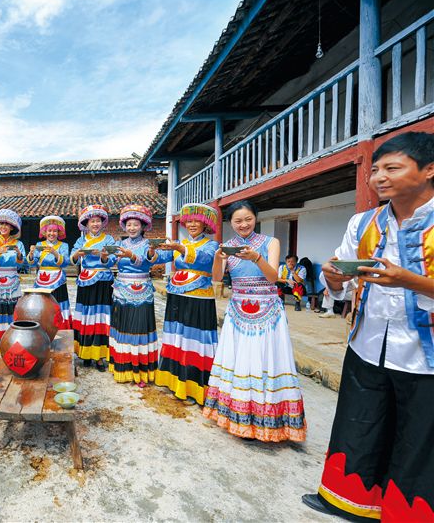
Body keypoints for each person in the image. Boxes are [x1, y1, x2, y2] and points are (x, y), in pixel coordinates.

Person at [302, 132, 434, 521]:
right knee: (360, 423)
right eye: (375, 170)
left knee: (418, 438)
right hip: (368, 341)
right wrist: (334, 278)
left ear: (429, 170)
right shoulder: (363, 223)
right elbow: (340, 279)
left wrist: (409, 280)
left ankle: (406, 514)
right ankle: (347, 501)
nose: (379, 177)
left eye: (392, 168)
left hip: (424, 354)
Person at [203, 200, 306, 442]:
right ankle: (238, 417)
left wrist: (256, 257)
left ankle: (269, 420)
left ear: (255, 218)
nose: (243, 225)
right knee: (239, 362)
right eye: (238, 221)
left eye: (248, 219)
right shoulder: (228, 247)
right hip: (238, 311)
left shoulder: (271, 242)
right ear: (231, 223)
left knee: (266, 361)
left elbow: (273, 278)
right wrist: (218, 258)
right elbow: (216, 278)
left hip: (268, 311)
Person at [155, 203, 220, 404]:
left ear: (205, 224)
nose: (192, 224)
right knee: (176, 335)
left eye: (196, 221)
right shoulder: (179, 243)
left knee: (194, 340)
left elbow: (205, 260)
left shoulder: (211, 245)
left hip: (198, 298)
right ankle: (173, 379)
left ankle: (194, 386)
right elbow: (161, 256)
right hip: (177, 294)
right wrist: (151, 251)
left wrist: (181, 248)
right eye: (189, 221)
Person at [108, 205, 162, 387]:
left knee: (139, 326)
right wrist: (105, 257)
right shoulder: (121, 244)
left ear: (143, 226)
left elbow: (147, 262)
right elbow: (110, 262)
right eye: (129, 224)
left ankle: (141, 371)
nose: (132, 228)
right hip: (122, 289)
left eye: (136, 225)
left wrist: (132, 256)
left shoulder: (148, 245)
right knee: (122, 325)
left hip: (142, 290)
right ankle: (121, 366)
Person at [71, 204, 117, 371]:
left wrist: (104, 257)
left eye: (98, 221)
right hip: (86, 281)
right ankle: (85, 353)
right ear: (87, 224)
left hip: (103, 282)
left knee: (101, 317)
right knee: (86, 316)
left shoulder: (109, 239)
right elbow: (72, 258)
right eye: (92, 221)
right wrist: (77, 254)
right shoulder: (81, 240)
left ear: (102, 223)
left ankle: (99, 356)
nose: (95, 224)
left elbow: (113, 259)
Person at [0, 209, 26, 351]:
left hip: (13, 279)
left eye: (6, 224)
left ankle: (13, 343)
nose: (3, 226)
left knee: (12, 309)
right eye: (1, 224)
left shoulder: (18, 244)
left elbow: (22, 264)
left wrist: (19, 254)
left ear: (12, 227)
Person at [26, 215, 72, 329]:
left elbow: (66, 262)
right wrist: (31, 254)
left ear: (59, 232)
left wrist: (55, 253)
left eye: (55, 231)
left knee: (58, 303)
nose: (52, 233)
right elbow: (32, 263)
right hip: (41, 279)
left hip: (58, 280)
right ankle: (42, 329)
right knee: (42, 304)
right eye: (49, 231)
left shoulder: (63, 245)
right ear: (45, 232)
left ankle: (60, 329)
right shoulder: (39, 245)